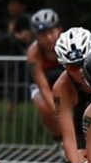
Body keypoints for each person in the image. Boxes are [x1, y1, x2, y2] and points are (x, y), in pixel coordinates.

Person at [52, 27, 91, 163]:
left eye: (83, 63)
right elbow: (68, 135)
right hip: (85, 130)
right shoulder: (61, 87)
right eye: (73, 66)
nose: (80, 70)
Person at [27, 8, 64, 140]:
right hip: (42, 83)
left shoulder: (68, 44)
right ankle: (59, 138)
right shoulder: (34, 53)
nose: (48, 38)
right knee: (44, 106)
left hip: (63, 78)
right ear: (37, 36)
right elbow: (44, 88)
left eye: (51, 32)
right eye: (43, 35)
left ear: (59, 30)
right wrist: (59, 114)